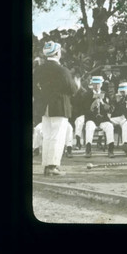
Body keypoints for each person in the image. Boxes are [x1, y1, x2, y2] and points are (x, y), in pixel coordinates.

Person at [33, 41, 79, 176]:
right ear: (57, 53)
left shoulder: (39, 69)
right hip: (59, 106)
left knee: (47, 136)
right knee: (57, 136)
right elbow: (72, 90)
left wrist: (41, 96)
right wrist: (76, 84)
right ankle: (53, 166)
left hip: (44, 106)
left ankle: (47, 166)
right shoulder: (62, 70)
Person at [83, 76, 115, 158]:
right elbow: (84, 110)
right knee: (89, 126)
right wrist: (91, 106)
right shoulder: (87, 95)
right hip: (92, 118)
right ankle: (88, 149)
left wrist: (103, 103)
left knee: (110, 126)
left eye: (98, 84)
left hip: (103, 119)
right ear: (92, 85)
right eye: (95, 84)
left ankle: (111, 149)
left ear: (101, 84)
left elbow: (111, 109)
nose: (97, 86)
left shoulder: (105, 94)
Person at [109, 82, 127, 150]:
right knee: (108, 121)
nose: (122, 93)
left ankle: (126, 144)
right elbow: (117, 111)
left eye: (123, 91)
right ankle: (106, 141)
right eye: (121, 91)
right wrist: (117, 102)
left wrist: (120, 102)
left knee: (124, 125)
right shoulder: (122, 97)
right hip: (122, 117)